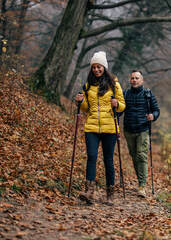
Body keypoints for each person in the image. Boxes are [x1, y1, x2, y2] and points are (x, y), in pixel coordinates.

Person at [75, 51, 125, 205]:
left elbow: (122, 106)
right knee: (91, 157)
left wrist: (117, 104)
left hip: (109, 128)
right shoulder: (88, 85)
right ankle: (89, 191)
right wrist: (80, 101)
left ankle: (110, 194)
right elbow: (85, 108)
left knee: (108, 161)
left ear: (104, 67)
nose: (96, 69)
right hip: (91, 127)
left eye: (99, 67)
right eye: (94, 67)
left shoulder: (114, 85)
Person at [121, 70, 160, 198]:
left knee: (141, 155)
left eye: (137, 78)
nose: (134, 80)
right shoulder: (125, 94)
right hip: (128, 130)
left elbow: (156, 110)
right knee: (134, 156)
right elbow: (119, 112)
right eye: (132, 78)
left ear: (141, 80)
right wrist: (115, 107)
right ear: (130, 80)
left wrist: (152, 117)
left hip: (143, 129)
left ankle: (142, 185)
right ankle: (140, 181)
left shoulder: (148, 94)